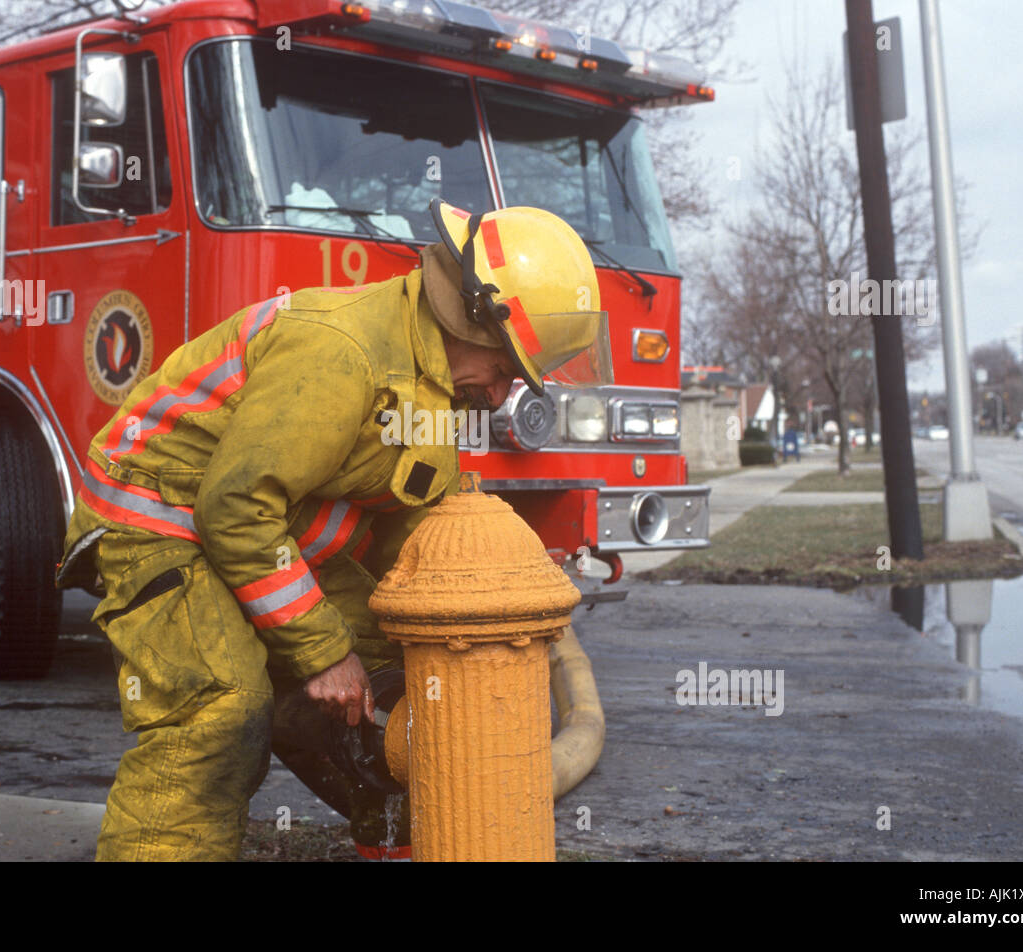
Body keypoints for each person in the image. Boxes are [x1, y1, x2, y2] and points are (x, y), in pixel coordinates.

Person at [56, 199, 613, 860]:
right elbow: (235, 507)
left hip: (258, 534)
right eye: (502, 370)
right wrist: (320, 651)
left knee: (421, 675)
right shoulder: (342, 352)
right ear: (468, 316)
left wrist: (467, 618)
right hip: (156, 521)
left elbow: (406, 531)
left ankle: (399, 838)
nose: (498, 397)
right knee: (223, 709)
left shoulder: (433, 383)